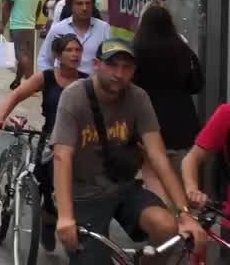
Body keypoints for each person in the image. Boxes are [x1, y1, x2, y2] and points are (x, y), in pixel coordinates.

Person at [50, 38, 205, 260]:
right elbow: (62, 156)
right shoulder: (75, 96)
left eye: (127, 67)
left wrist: (185, 214)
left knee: (166, 227)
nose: (119, 73)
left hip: (122, 186)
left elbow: (158, 155)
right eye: (112, 65)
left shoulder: (138, 97)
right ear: (96, 64)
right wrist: (65, 216)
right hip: (83, 193)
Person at [0, 33, 87, 251]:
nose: (74, 55)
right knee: (51, 191)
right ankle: (48, 221)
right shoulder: (46, 78)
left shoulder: (86, 81)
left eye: (77, 50)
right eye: (69, 50)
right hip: (51, 143)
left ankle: (65, 225)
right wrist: (0, 117)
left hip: (79, 145)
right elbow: (16, 95)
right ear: (57, 55)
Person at [131, 4, 202, 204]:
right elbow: (197, 84)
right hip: (183, 123)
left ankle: (166, 224)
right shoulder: (182, 49)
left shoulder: (135, 50)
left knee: (154, 177)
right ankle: (185, 221)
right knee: (182, 181)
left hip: (150, 125)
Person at [36, 0, 112, 77]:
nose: (84, 8)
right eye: (79, 4)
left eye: (88, 3)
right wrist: (53, 81)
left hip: (92, 87)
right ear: (70, 6)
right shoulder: (58, 29)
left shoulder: (104, 28)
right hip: (64, 86)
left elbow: (110, 61)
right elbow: (44, 59)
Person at [2, 0, 44, 88]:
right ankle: (17, 80)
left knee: (21, 55)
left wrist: (2, 24)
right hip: (30, 27)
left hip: (17, 27)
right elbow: (39, 7)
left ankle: (32, 82)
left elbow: (7, 7)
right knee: (26, 55)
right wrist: (34, 20)